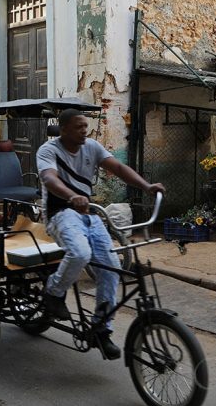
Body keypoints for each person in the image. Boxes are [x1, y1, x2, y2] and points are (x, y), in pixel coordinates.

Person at [37, 109, 165, 360]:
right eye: (78, 127)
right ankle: (53, 292)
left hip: (90, 213)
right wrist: (71, 196)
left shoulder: (92, 147)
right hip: (60, 214)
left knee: (111, 267)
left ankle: (101, 329)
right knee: (80, 253)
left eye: (85, 126)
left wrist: (147, 186)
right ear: (63, 130)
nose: (84, 130)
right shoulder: (49, 151)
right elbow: (50, 179)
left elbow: (117, 167)